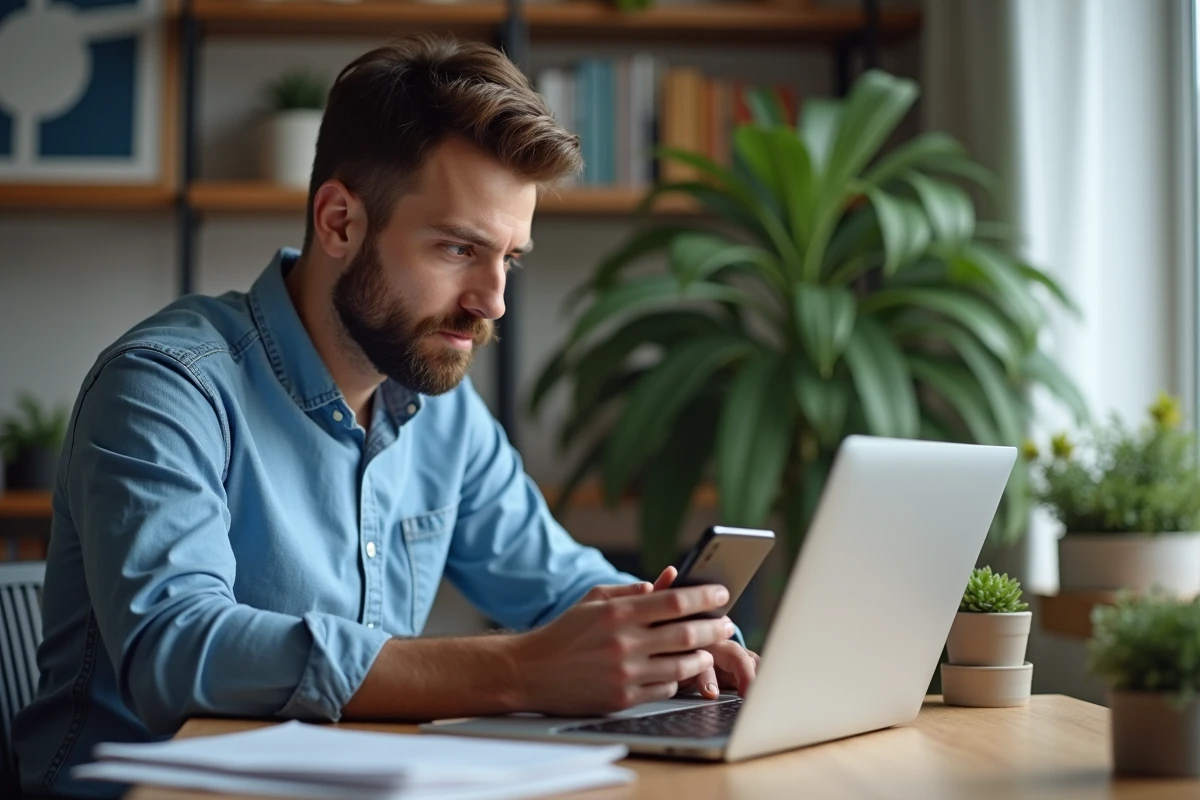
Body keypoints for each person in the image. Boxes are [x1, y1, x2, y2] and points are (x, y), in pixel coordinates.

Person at [14, 35, 760, 798]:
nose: (493, 300)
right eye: (458, 249)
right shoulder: (166, 386)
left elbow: (559, 580)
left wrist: (692, 638)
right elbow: (177, 651)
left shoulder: (441, 408)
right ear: (339, 222)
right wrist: (522, 668)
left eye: (510, 257)